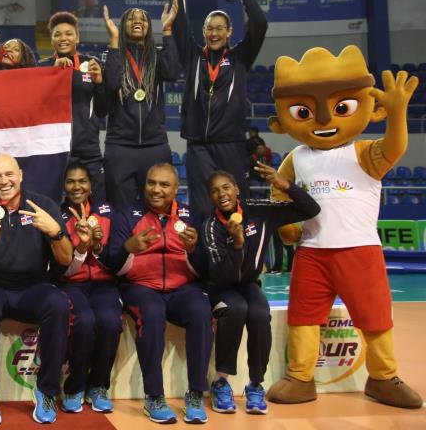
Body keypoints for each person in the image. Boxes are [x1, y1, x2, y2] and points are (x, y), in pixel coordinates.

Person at [265, 46, 423, 409]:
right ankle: (300, 376)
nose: (323, 119)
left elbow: (395, 148)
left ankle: (383, 378)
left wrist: (398, 114)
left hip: (360, 249)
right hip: (312, 252)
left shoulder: (365, 152)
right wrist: (286, 225)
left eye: (340, 108)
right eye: (303, 112)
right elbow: (280, 191)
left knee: (375, 317)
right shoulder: (297, 157)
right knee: (304, 317)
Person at [200, 164, 320, 415]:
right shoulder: (211, 227)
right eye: (214, 191)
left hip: (249, 284)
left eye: (226, 187)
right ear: (209, 197)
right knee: (235, 309)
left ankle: (256, 384)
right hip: (221, 287)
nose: (222, 194)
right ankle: (221, 382)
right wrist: (238, 245)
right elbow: (222, 275)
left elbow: (311, 208)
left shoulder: (261, 211)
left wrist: (286, 185)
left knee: (259, 313)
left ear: (237, 190)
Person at [0, 154, 72, 425]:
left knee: (58, 304)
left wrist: (55, 232)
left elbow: (66, 259)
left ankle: (46, 391)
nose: (4, 181)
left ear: (20, 175)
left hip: (33, 287)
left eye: (9, 174)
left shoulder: (43, 206)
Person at [106, 163, 211, 424]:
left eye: (164, 185)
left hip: (182, 288)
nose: (156, 189)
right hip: (140, 287)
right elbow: (111, 265)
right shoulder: (128, 215)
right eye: (151, 183)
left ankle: (196, 393)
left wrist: (194, 249)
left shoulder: (189, 216)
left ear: (176, 189)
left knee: (200, 311)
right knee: (152, 314)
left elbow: (204, 268)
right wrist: (128, 247)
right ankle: (154, 396)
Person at [172, 0, 268, 224]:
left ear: (229, 32)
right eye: (209, 29)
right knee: (202, 203)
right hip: (198, 146)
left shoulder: (240, 58)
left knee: (238, 200)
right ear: (203, 33)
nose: (214, 33)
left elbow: (260, 24)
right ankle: (204, 258)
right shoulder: (193, 57)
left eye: (219, 29)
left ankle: (244, 257)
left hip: (231, 144)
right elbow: (179, 20)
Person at [101, 1, 181, 210]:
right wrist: (115, 41)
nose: (138, 22)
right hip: (120, 146)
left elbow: (172, 72)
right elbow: (110, 83)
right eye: (132, 19)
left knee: (157, 206)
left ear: (148, 27)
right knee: (120, 208)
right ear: (123, 25)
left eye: (143, 19)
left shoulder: (156, 55)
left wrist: (168, 30)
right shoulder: (115, 53)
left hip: (154, 145)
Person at [55, 163, 121, 414]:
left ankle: (98, 386)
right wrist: (81, 249)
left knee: (109, 322)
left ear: (91, 185)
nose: (77, 186)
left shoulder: (108, 213)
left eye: (82, 181)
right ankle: (74, 387)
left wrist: (97, 246)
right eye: (71, 181)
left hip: (105, 284)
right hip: (73, 285)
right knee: (83, 321)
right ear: (64, 186)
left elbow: (117, 259)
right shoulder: (58, 216)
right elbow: (61, 269)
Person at [37, 12, 107, 203]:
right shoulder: (42, 68)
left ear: (77, 37)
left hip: (88, 150)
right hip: (53, 150)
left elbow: (103, 109)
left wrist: (100, 83)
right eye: (57, 34)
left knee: (98, 206)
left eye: (68, 33)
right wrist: (52, 74)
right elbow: (35, 105)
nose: (63, 38)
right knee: (51, 206)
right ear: (52, 40)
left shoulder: (92, 64)